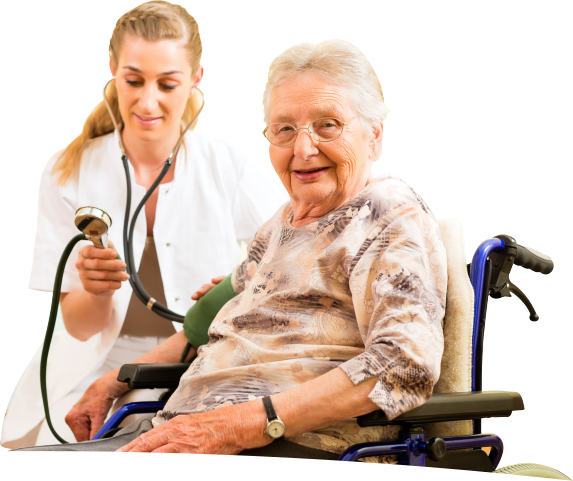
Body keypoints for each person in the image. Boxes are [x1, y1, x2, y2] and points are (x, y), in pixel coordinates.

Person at [10, 38, 447, 462]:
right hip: (182, 430)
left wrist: (243, 424)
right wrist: (109, 381)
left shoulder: (386, 213)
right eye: (285, 129)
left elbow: (402, 364)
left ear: (374, 135)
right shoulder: (280, 223)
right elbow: (203, 323)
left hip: (288, 442)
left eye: (328, 124)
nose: (304, 148)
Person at [0, 1, 287, 449]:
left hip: (204, 362)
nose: (148, 101)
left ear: (195, 78)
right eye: (133, 80)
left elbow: (295, 269)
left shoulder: (235, 167)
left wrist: (237, 292)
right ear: (113, 69)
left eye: (167, 84)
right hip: (94, 367)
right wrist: (93, 290)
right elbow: (78, 324)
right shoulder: (66, 171)